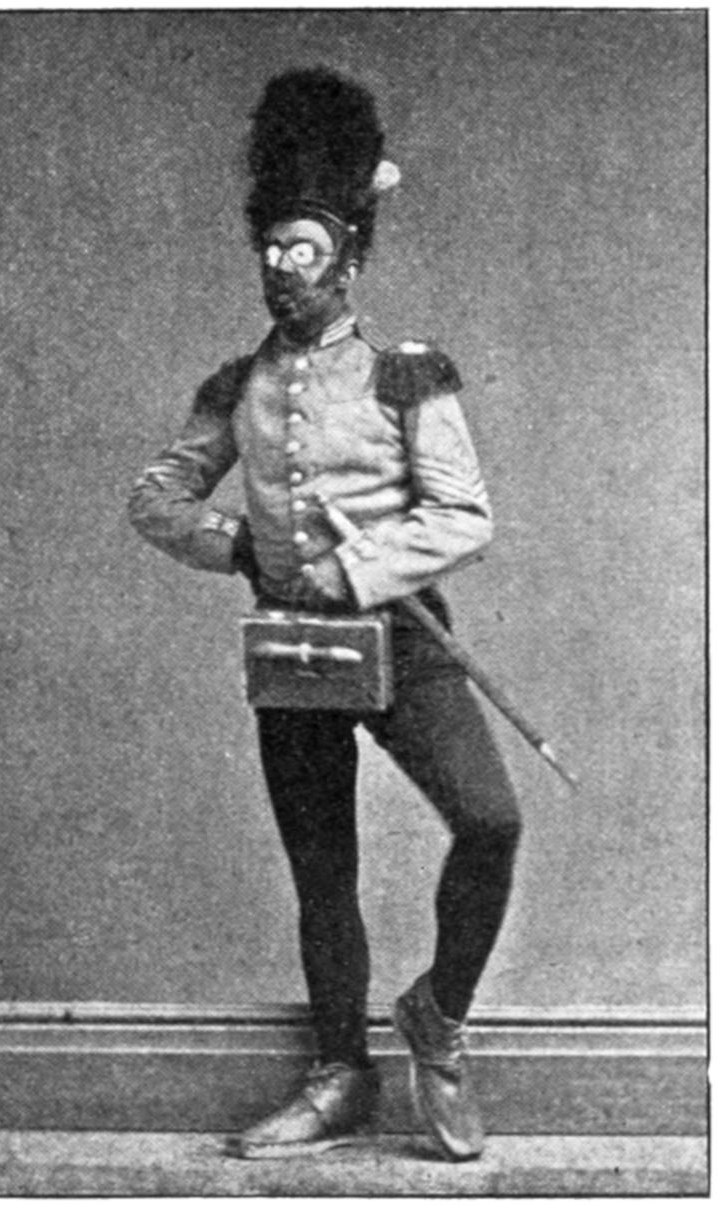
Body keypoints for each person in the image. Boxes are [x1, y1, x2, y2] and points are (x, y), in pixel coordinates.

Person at [129, 66, 521, 1162]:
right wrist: (238, 546)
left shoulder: (405, 376)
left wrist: (358, 567)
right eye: (270, 249)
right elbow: (157, 498)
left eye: (301, 250)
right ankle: (340, 1073)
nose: (280, 268)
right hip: (293, 652)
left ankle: (437, 1018)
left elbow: (464, 515)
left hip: (403, 636)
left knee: (490, 821)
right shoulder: (235, 386)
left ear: (346, 258)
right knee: (322, 868)